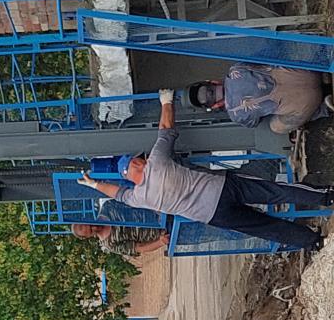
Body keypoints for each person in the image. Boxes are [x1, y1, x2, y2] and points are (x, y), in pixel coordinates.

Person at [78, 89, 334, 251]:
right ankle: (326, 197)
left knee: (264, 227)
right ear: (136, 164)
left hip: (213, 215)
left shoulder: (139, 197)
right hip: (223, 187)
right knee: (277, 191)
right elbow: (166, 128)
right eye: (138, 160)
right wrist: (166, 101)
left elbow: (118, 194)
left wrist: (94, 185)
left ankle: (313, 242)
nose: (142, 159)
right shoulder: (157, 162)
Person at [185, 63, 332, 133]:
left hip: (309, 102)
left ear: (215, 106)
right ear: (212, 82)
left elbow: (254, 122)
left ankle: (325, 108)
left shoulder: (236, 115)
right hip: (309, 73)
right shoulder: (236, 69)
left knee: (275, 127)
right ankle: (323, 77)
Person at [70, 221, 168, 257]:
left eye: (90, 224)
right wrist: (161, 242)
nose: (95, 227)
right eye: (91, 231)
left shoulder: (108, 209)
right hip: (162, 233)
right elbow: (140, 248)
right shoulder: (110, 244)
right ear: (88, 237)